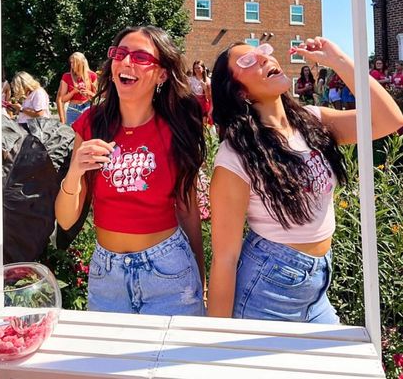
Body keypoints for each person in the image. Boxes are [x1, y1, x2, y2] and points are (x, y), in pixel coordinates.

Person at [207, 37, 402, 323]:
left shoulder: (312, 120)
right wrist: (215, 338)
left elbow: (388, 119)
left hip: (317, 289)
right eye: (248, 61)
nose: (263, 58)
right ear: (239, 92)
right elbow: (225, 259)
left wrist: (338, 60)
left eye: (263, 51)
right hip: (267, 292)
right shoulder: (235, 156)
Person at [55, 26, 206, 316]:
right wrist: (74, 172)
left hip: (169, 272)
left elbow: (187, 209)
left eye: (140, 57)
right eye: (120, 54)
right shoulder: (91, 123)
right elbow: (65, 219)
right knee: (106, 360)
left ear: (162, 74)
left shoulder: (176, 128)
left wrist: (200, 278)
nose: (126, 62)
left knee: (175, 360)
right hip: (106, 277)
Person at [56, 52, 97, 126]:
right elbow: (63, 99)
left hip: (87, 106)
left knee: (88, 134)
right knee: (71, 134)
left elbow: (97, 97)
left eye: (74, 63)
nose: (72, 65)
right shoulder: (66, 76)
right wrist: (73, 92)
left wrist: (88, 93)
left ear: (81, 63)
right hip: (73, 108)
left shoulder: (92, 75)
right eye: (71, 63)